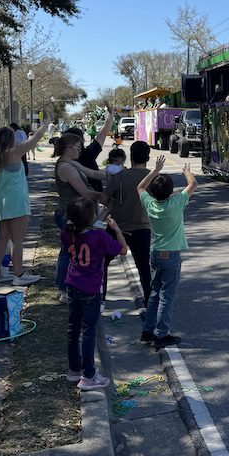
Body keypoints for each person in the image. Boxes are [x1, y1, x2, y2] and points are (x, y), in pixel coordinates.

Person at [61, 197, 126, 390]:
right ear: (90, 218)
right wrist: (116, 229)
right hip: (90, 287)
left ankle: (74, 369)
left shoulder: (66, 234)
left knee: (73, 329)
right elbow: (123, 250)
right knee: (88, 331)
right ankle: (88, 375)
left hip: (72, 283)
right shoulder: (98, 236)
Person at [0, 123, 47, 285]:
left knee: (3, 238)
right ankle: (19, 275)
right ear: (10, 139)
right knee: (17, 240)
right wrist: (46, 124)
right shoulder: (15, 152)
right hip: (17, 202)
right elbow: (35, 139)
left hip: (0, 202)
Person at [137, 157, 197, 349]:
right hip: (171, 255)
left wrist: (155, 170)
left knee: (155, 293)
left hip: (155, 253)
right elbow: (193, 184)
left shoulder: (150, 204)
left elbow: (140, 187)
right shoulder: (177, 203)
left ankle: (148, 330)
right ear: (171, 191)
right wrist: (186, 171)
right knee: (167, 296)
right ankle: (161, 334)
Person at [51, 133, 108, 298]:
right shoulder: (65, 168)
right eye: (78, 147)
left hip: (74, 213)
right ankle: (63, 290)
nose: (80, 150)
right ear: (68, 148)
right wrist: (104, 196)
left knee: (70, 251)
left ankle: (68, 286)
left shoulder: (72, 163)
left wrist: (116, 173)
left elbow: (93, 173)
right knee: (67, 252)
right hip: (67, 214)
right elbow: (84, 192)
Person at [103, 140, 153, 325]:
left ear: (130, 157)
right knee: (144, 267)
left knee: (103, 262)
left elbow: (105, 198)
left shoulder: (120, 177)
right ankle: (149, 301)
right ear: (147, 157)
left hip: (117, 228)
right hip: (142, 228)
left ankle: (101, 297)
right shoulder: (152, 177)